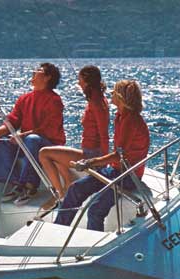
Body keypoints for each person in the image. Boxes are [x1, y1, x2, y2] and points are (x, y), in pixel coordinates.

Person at [54, 79, 150, 232]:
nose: (111, 93)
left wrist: (91, 162)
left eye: (114, 91)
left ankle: (92, 240)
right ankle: (58, 231)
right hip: (114, 170)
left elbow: (120, 156)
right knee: (75, 189)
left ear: (121, 97)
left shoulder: (131, 120)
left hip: (127, 175)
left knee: (95, 209)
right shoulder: (120, 116)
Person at [0, 62, 65, 205]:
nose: (33, 71)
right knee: (1, 143)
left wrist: (23, 135)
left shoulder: (54, 100)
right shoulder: (24, 98)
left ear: (47, 77)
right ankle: (16, 183)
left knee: (32, 139)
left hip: (49, 145)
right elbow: (13, 121)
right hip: (28, 143)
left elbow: (49, 129)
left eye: (39, 70)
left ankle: (29, 186)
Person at [39, 65, 109, 210]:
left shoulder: (96, 103)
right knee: (56, 153)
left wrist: (102, 162)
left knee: (44, 153)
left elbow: (104, 134)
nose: (79, 83)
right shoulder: (96, 99)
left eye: (80, 80)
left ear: (88, 82)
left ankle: (61, 193)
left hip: (91, 155)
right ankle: (67, 185)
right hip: (88, 151)